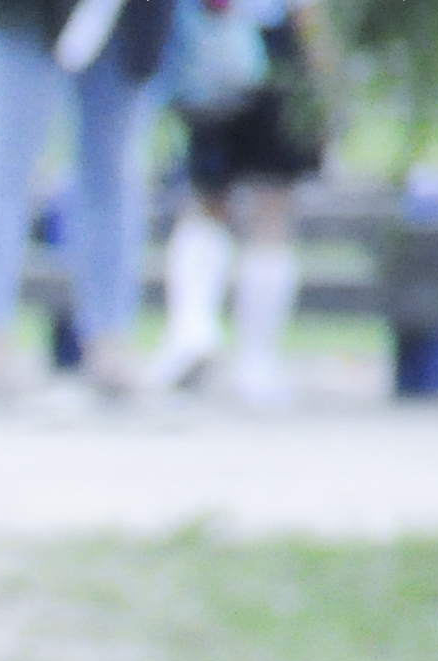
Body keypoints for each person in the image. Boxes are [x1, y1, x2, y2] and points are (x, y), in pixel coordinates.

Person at [0, 0, 172, 400]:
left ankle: (109, 341)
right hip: (29, 15)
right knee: (7, 166)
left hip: (127, 18)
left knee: (113, 176)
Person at [146, 0, 340, 407]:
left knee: (219, 198)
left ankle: (209, 336)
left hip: (220, 33)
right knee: (255, 204)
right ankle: (225, 346)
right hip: (235, 35)